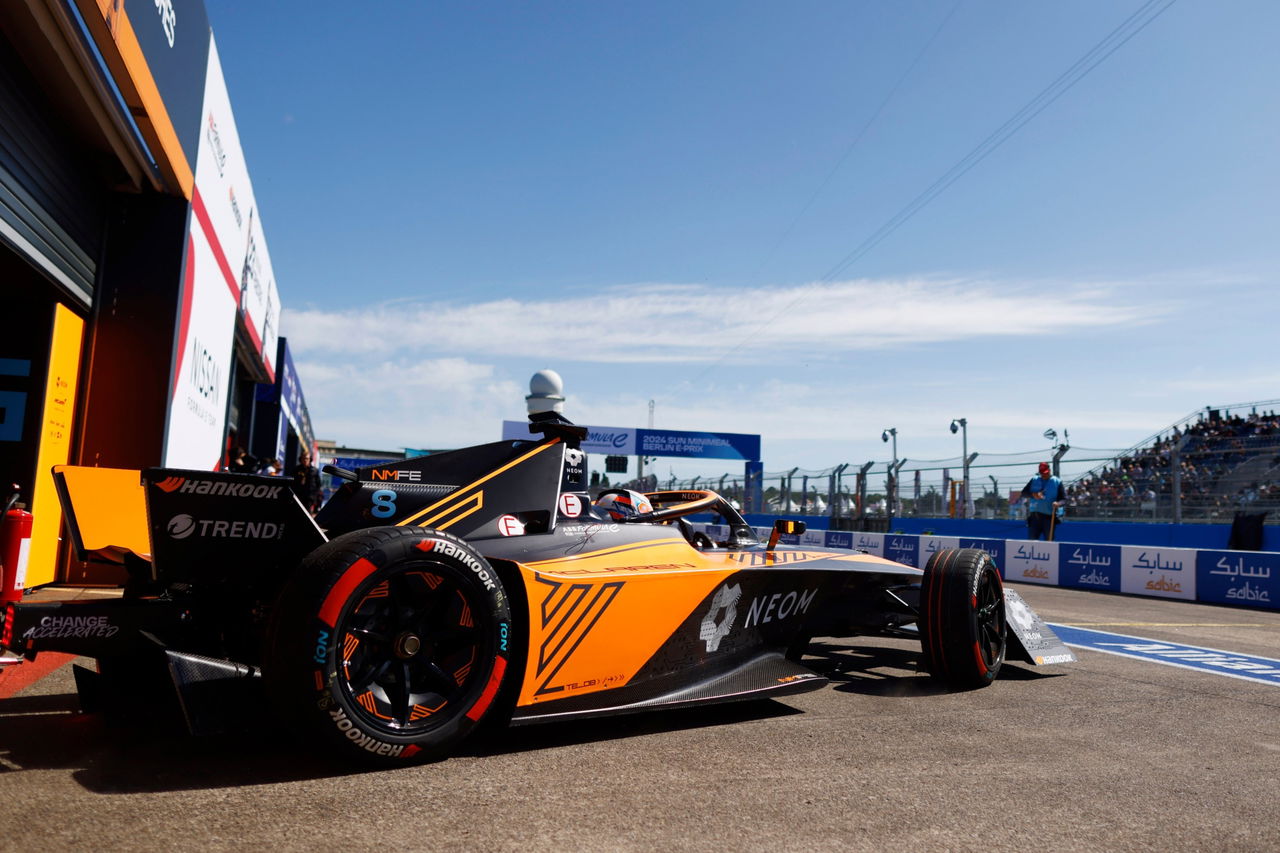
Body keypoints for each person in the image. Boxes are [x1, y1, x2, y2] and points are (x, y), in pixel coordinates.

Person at [1021, 461, 1065, 541]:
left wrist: (1058, 503)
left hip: (1049, 518)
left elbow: (1064, 499)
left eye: (1046, 473)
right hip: (1035, 517)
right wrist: (1033, 495)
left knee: (1049, 542)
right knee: (1031, 542)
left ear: (1049, 470)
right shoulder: (1034, 480)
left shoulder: (1057, 482)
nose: (1044, 475)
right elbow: (1024, 493)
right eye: (1042, 473)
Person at [293, 447, 323, 514]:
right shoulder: (296, 469)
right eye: (303, 458)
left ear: (310, 459)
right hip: (298, 496)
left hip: (309, 498)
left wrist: (315, 497)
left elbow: (319, 485)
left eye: (307, 458)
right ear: (301, 459)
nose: (305, 460)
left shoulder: (314, 471)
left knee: (307, 515)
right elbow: (292, 482)